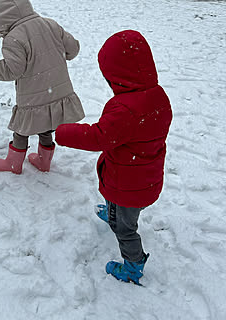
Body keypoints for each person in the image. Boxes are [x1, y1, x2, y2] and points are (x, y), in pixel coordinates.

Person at [55, 30, 173, 285]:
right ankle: (112, 212)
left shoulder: (125, 109)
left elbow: (98, 137)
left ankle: (133, 264)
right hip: (145, 177)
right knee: (125, 209)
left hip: (127, 183)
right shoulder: (158, 95)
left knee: (125, 228)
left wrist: (64, 132)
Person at [0, 0, 84, 174]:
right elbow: (73, 49)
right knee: (46, 126)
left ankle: (13, 164)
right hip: (57, 90)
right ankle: (43, 162)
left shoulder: (13, 38)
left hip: (33, 96)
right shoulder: (50, 24)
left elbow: (11, 70)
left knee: (21, 131)